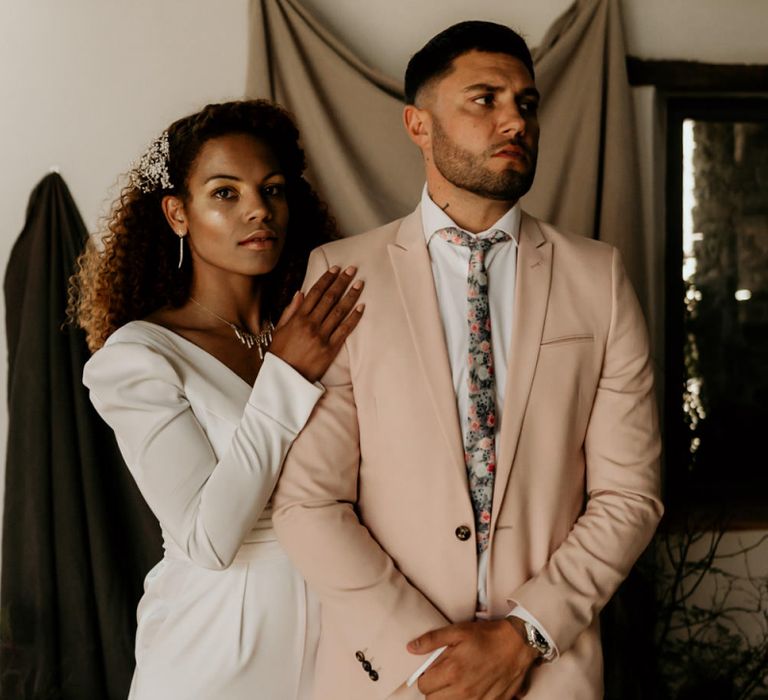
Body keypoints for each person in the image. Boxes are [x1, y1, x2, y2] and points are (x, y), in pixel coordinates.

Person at [272, 21, 663, 700]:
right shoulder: (342, 274)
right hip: (388, 676)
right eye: (485, 98)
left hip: (548, 673)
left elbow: (629, 493)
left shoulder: (598, 277)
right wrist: (428, 660)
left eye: (528, 103)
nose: (516, 119)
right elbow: (309, 500)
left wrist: (525, 634)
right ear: (419, 125)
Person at [70, 99, 364, 699]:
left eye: (273, 189)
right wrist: (285, 373)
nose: (258, 209)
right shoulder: (141, 357)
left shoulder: (321, 328)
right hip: (216, 654)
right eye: (225, 193)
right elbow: (208, 539)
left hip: (336, 649)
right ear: (178, 213)